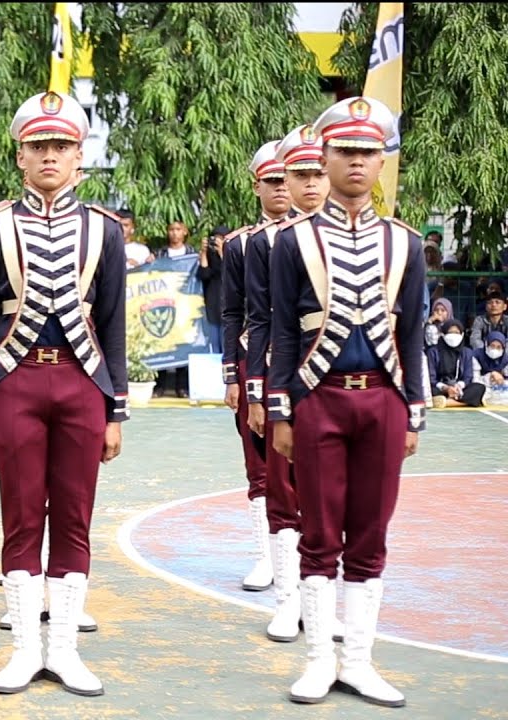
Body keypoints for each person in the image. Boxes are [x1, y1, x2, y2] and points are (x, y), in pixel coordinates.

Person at [0, 90, 126, 697]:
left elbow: (112, 322)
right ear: (20, 156)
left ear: (79, 155)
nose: (50, 155)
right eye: (39, 146)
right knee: (21, 516)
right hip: (16, 381)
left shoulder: (104, 229)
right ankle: (24, 652)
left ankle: (64, 651)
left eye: (61, 145)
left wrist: (116, 410)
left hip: (84, 384)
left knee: (76, 518)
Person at [268, 97, 426, 707]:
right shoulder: (294, 240)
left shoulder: (405, 243)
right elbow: (283, 330)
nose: (357, 162)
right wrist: (280, 409)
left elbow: (412, 333)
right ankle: (318, 662)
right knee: (318, 532)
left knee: (370, 532)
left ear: (382, 162)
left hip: (384, 401)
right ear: (326, 156)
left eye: (367, 153)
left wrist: (414, 411)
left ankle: (358, 661)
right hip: (319, 399)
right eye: (345, 152)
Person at [254, 124, 338, 643]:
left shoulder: (367, 237)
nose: (309, 184)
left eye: (316, 172)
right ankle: (288, 601)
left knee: (334, 498)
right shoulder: (275, 242)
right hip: (287, 377)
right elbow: (264, 320)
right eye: (299, 174)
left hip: (345, 384)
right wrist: (260, 391)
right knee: (282, 490)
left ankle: (324, 605)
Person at [222, 140, 287, 596]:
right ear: (256, 186)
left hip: (305, 361)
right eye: (273, 181)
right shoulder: (240, 244)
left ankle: (305, 556)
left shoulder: (316, 235)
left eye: (288, 179)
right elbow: (232, 311)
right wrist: (231, 373)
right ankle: (268, 556)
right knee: (259, 461)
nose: (282, 188)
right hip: (255, 359)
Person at [427, 319, 485, 408]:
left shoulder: (467, 352)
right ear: (443, 334)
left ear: (462, 334)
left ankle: (448, 402)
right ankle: (466, 401)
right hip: (440, 388)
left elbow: (468, 376)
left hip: (459, 389)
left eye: (457, 333)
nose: (454, 335)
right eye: (450, 332)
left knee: (479, 387)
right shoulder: (433, 352)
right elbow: (431, 378)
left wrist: (458, 386)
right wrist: (446, 388)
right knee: (428, 390)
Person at [197, 225, 227, 354]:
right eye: (215, 238)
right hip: (212, 305)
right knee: (213, 344)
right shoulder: (209, 256)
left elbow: (230, 273)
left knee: (226, 345)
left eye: (221, 239)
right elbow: (204, 275)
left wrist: (223, 252)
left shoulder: (233, 256)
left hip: (228, 307)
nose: (217, 242)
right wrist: (204, 253)